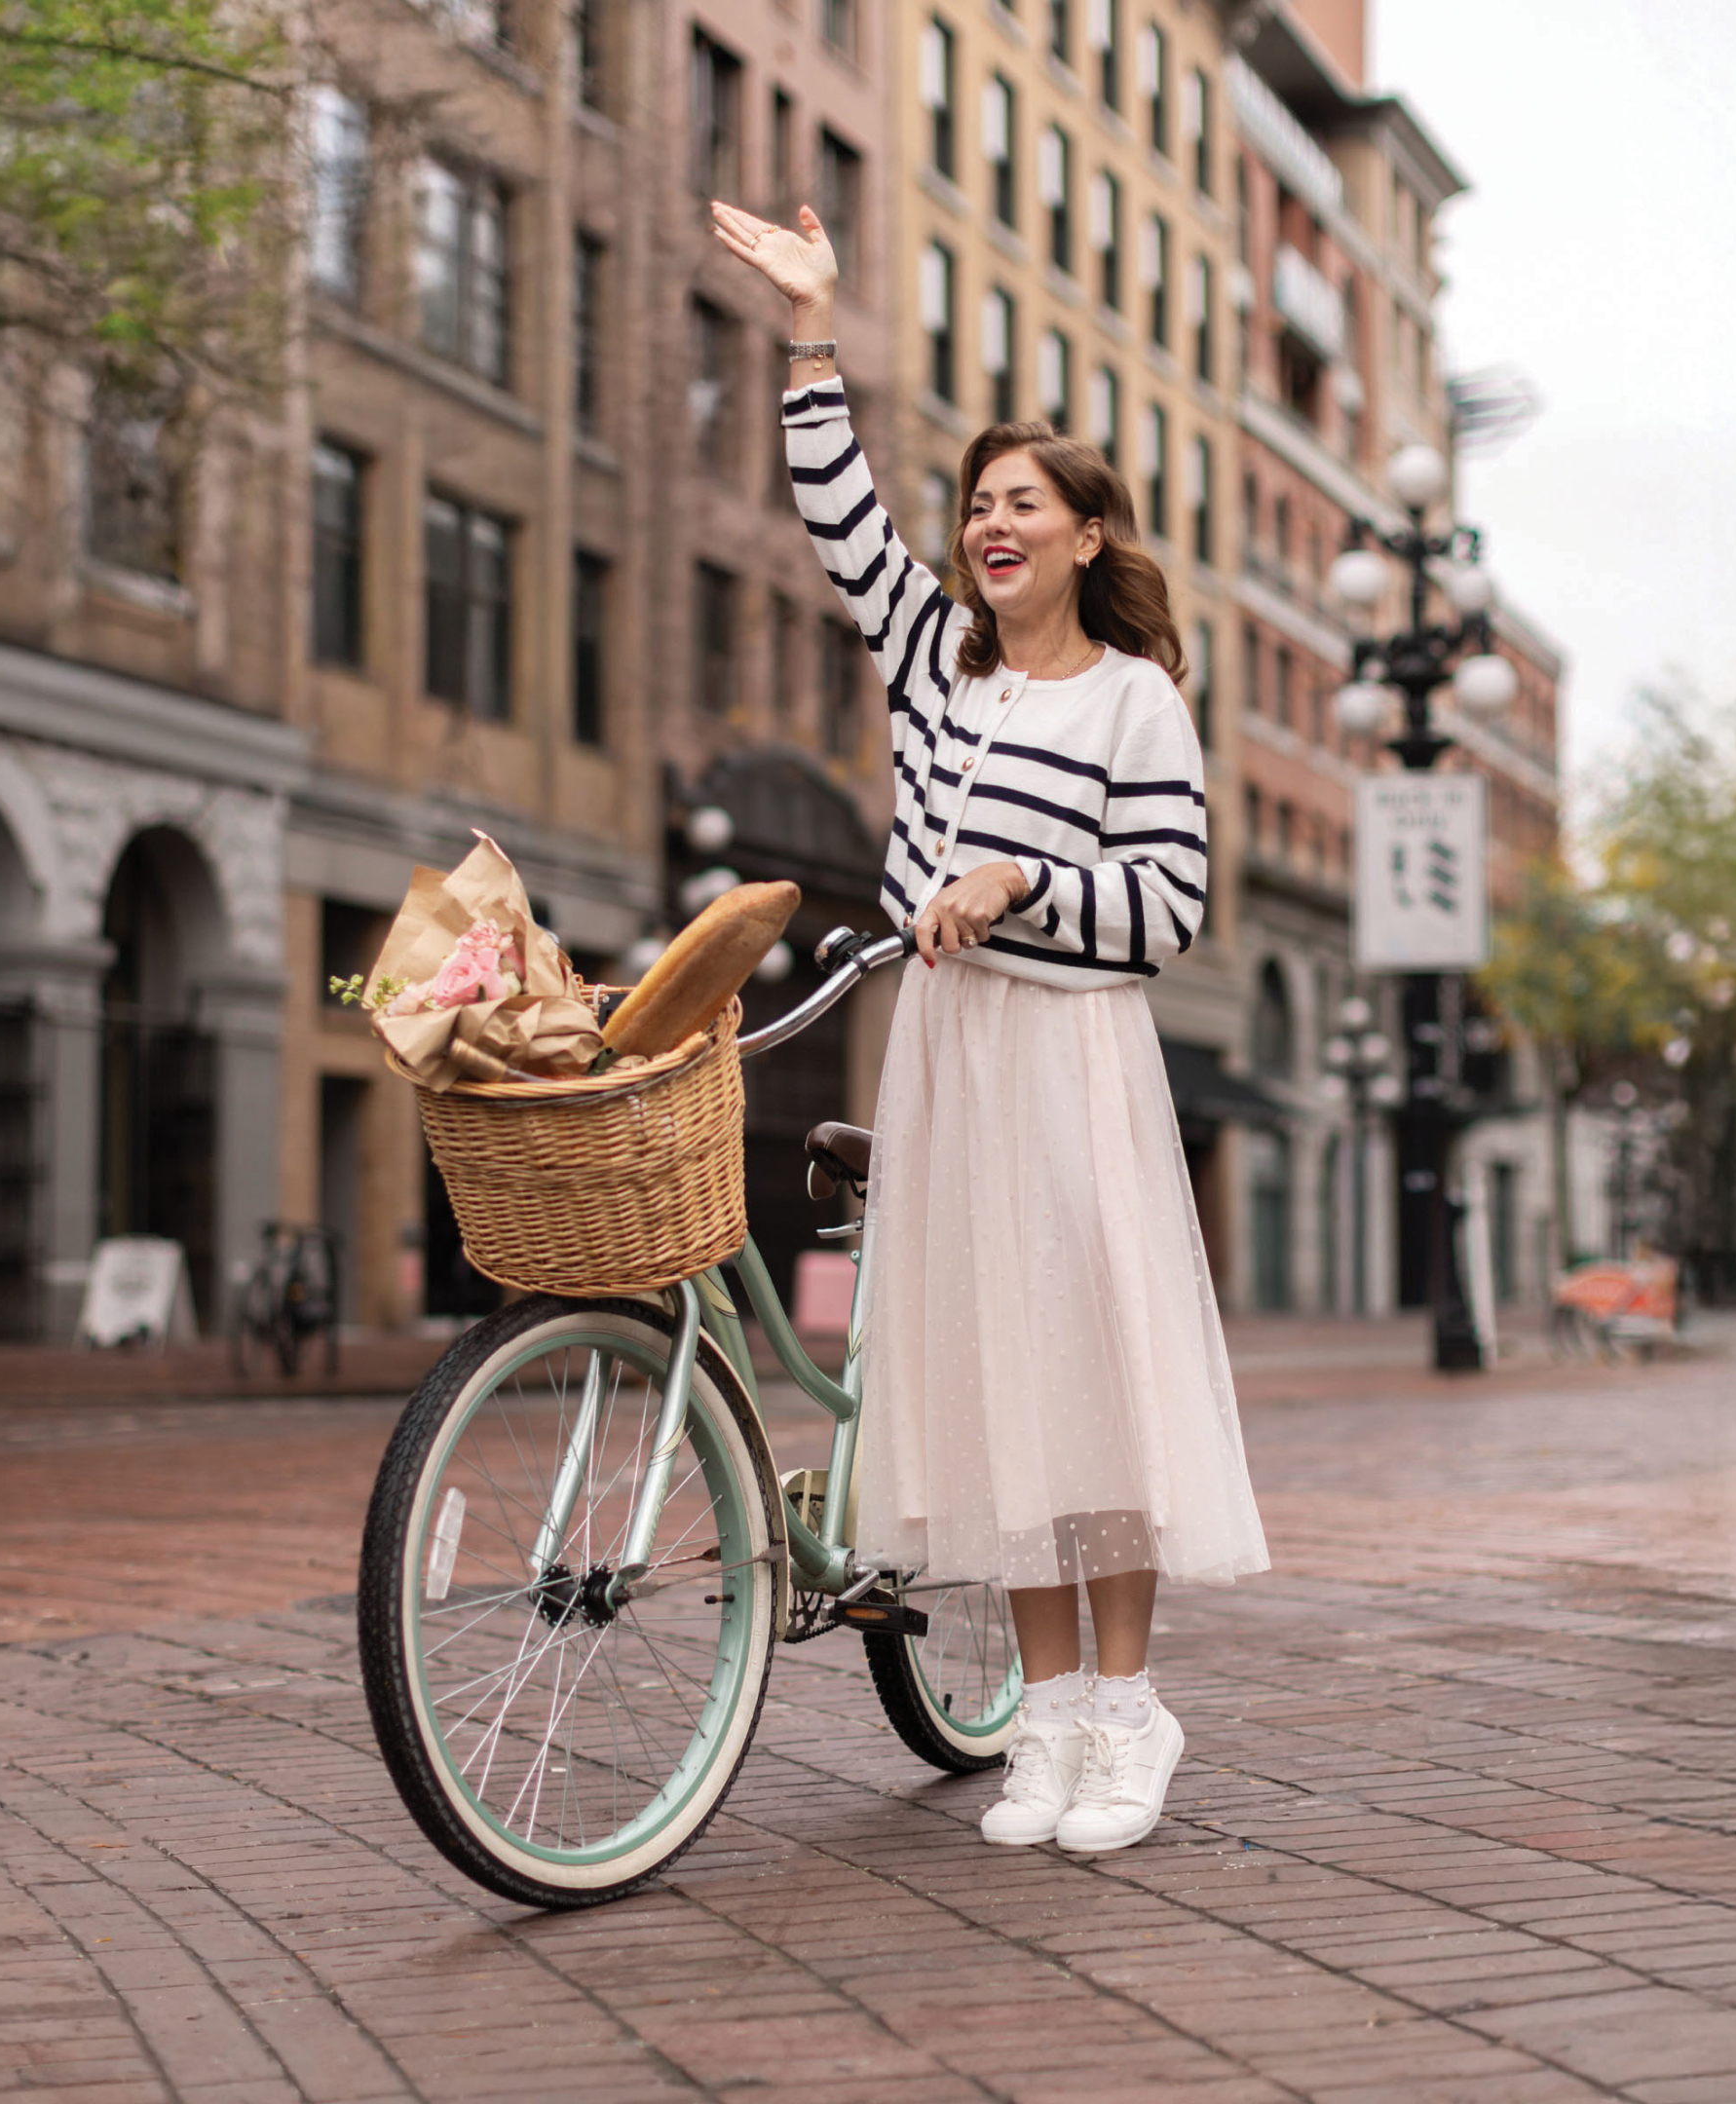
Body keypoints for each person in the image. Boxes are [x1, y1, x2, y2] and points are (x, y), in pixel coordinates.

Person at [715, 200, 1268, 1855]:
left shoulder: (1134, 699)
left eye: (1023, 504)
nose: (984, 526)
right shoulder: (938, 678)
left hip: (1072, 1057)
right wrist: (812, 329)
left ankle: (1127, 1712)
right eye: (976, 507)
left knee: (1093, 1376)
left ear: (1090, 536)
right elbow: (838, 523)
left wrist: (1021, 877)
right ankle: (1042, 1730)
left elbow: (1168, 903)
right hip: (948, 1055)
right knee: (1005, 1393)